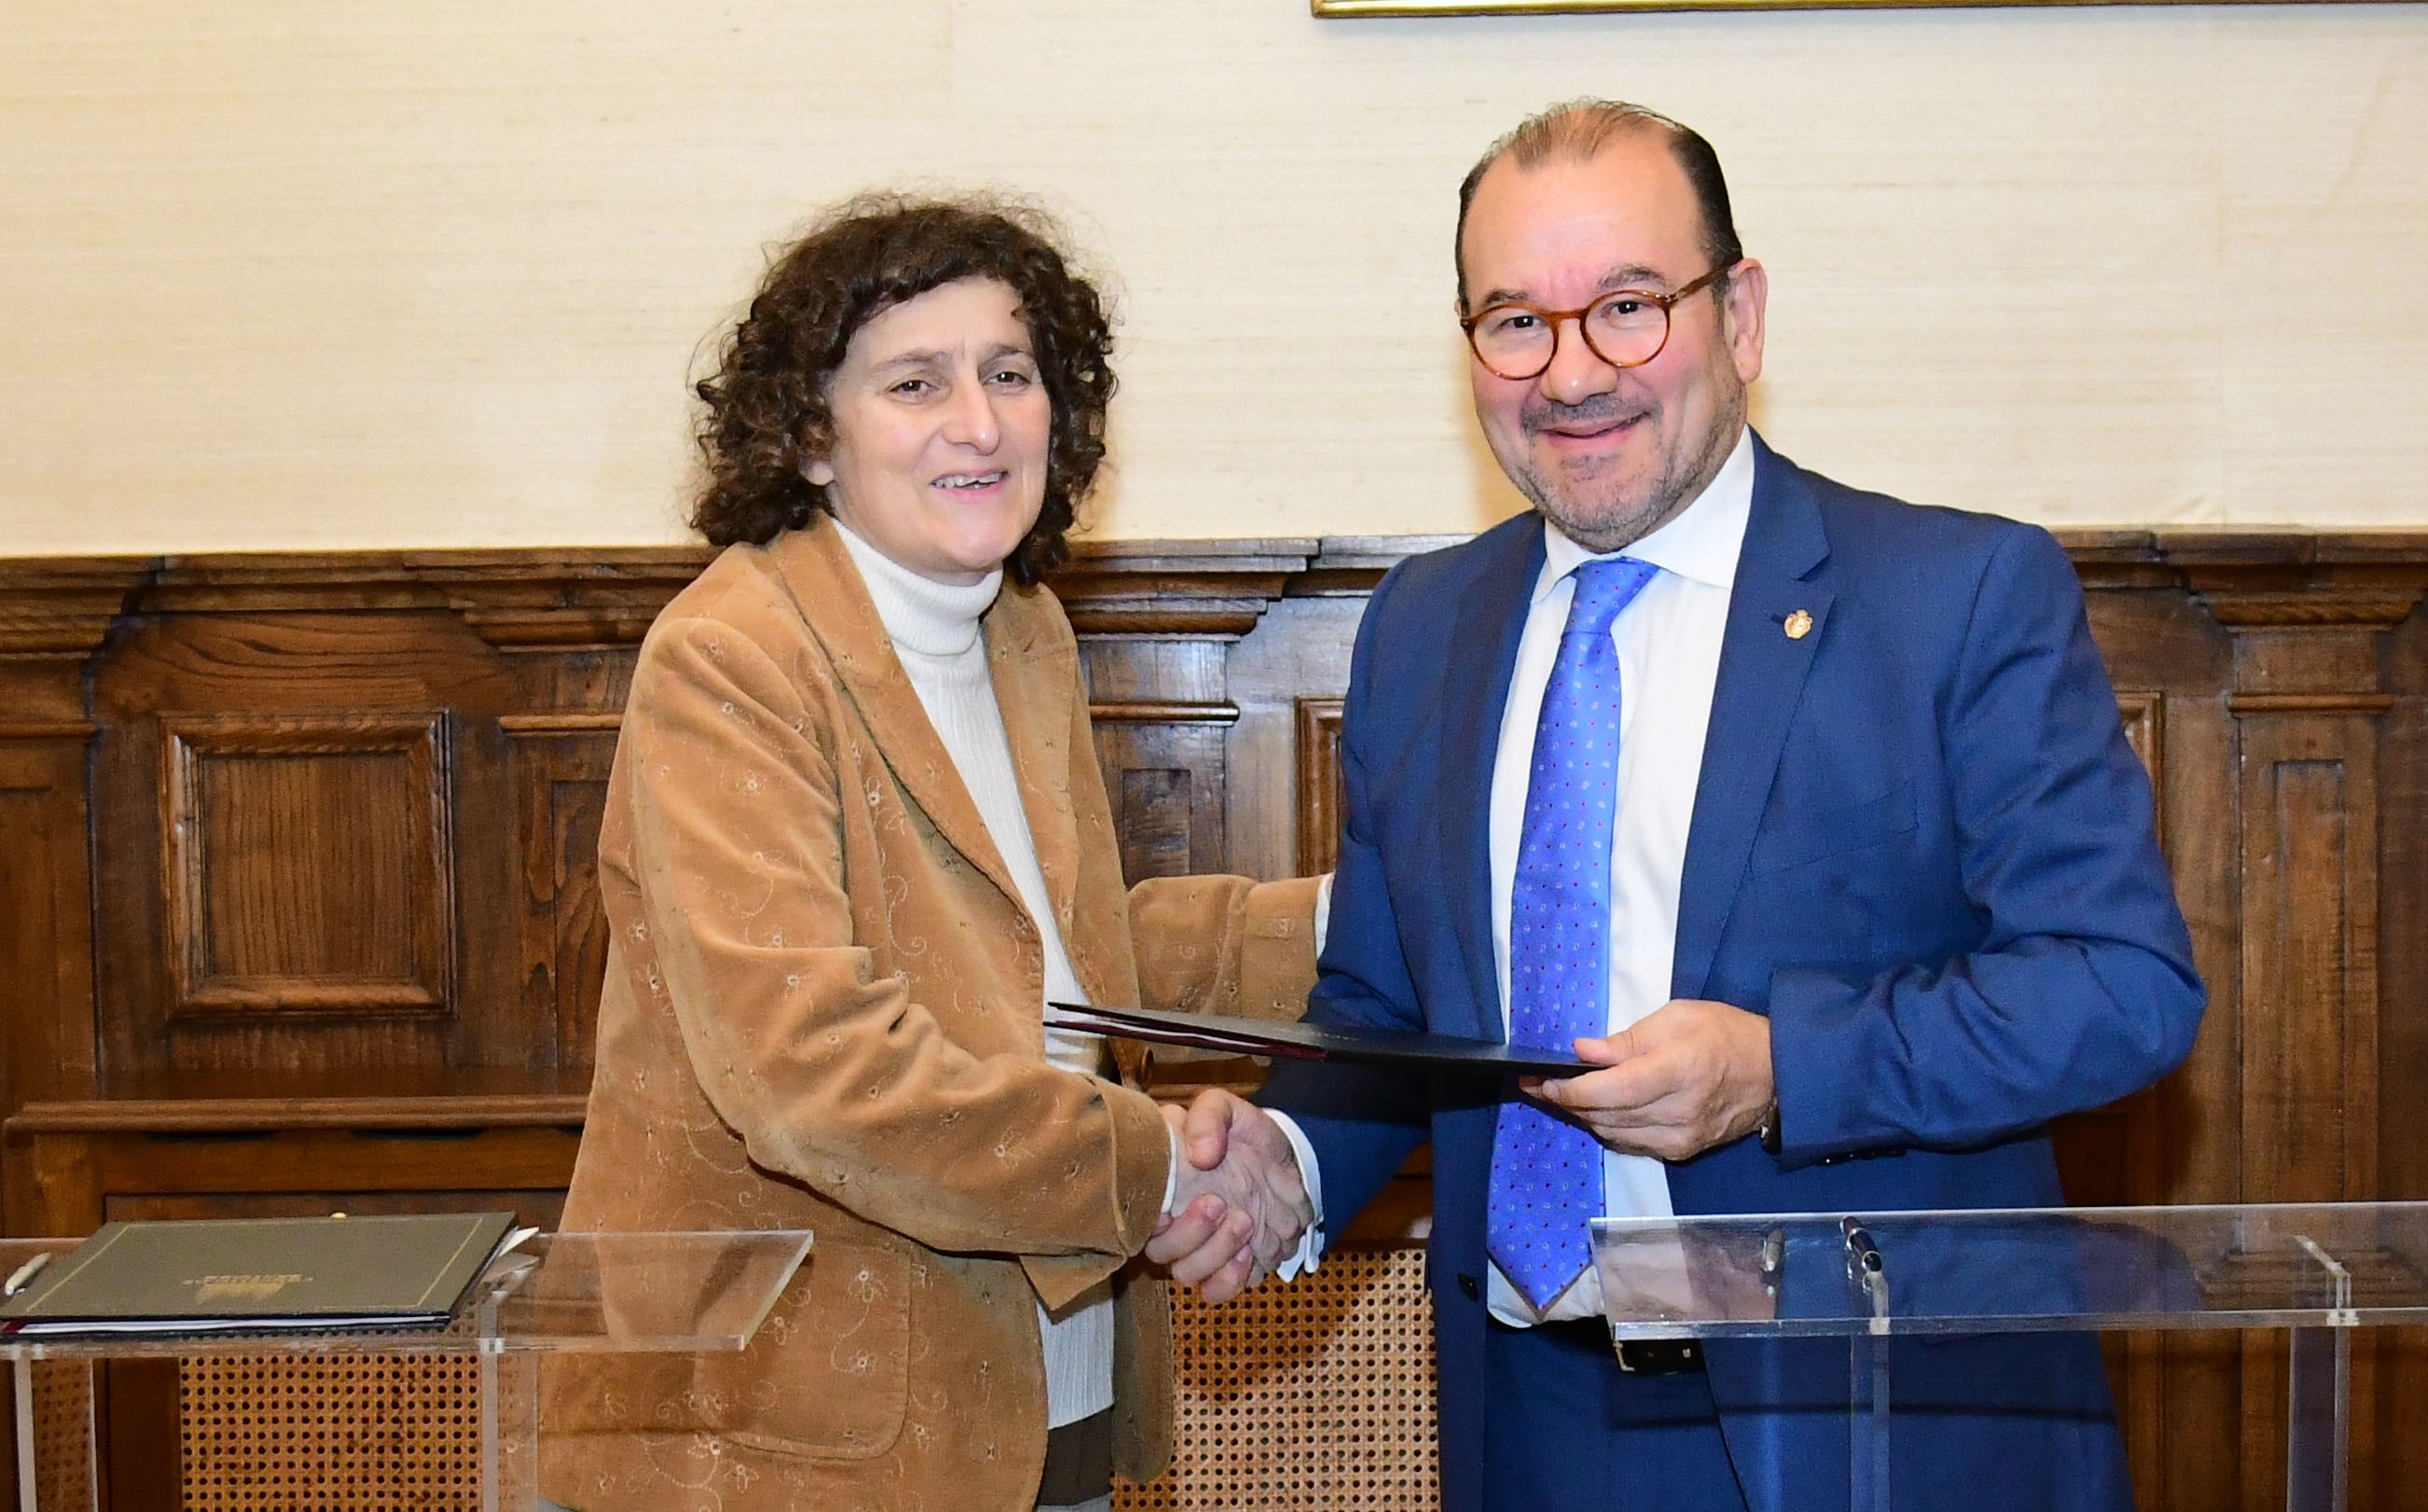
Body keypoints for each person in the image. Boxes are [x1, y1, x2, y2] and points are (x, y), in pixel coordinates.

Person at [1160, 102, 2205, 1512]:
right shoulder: (1423, 627)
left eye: (1628, 307)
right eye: (1516, 321)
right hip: (1530, 1419)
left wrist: (1782, 1067)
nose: (1571, 371)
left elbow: (2121, 988)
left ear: (1741, 316)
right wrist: (1286, 1162)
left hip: (1871, 1424)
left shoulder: (1954, 599)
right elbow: (1389, 1011)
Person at [539, 194, 1317, 1512]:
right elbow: (810, 1070)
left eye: (1010, 374)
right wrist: (1154, 1165)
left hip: (1033, 1385)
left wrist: (1370, 924)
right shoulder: (734, 655)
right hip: (792, 1437)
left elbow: (1052, 959)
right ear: (811, 436)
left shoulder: (1022, 631)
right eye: (915, 384)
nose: (979, 422)